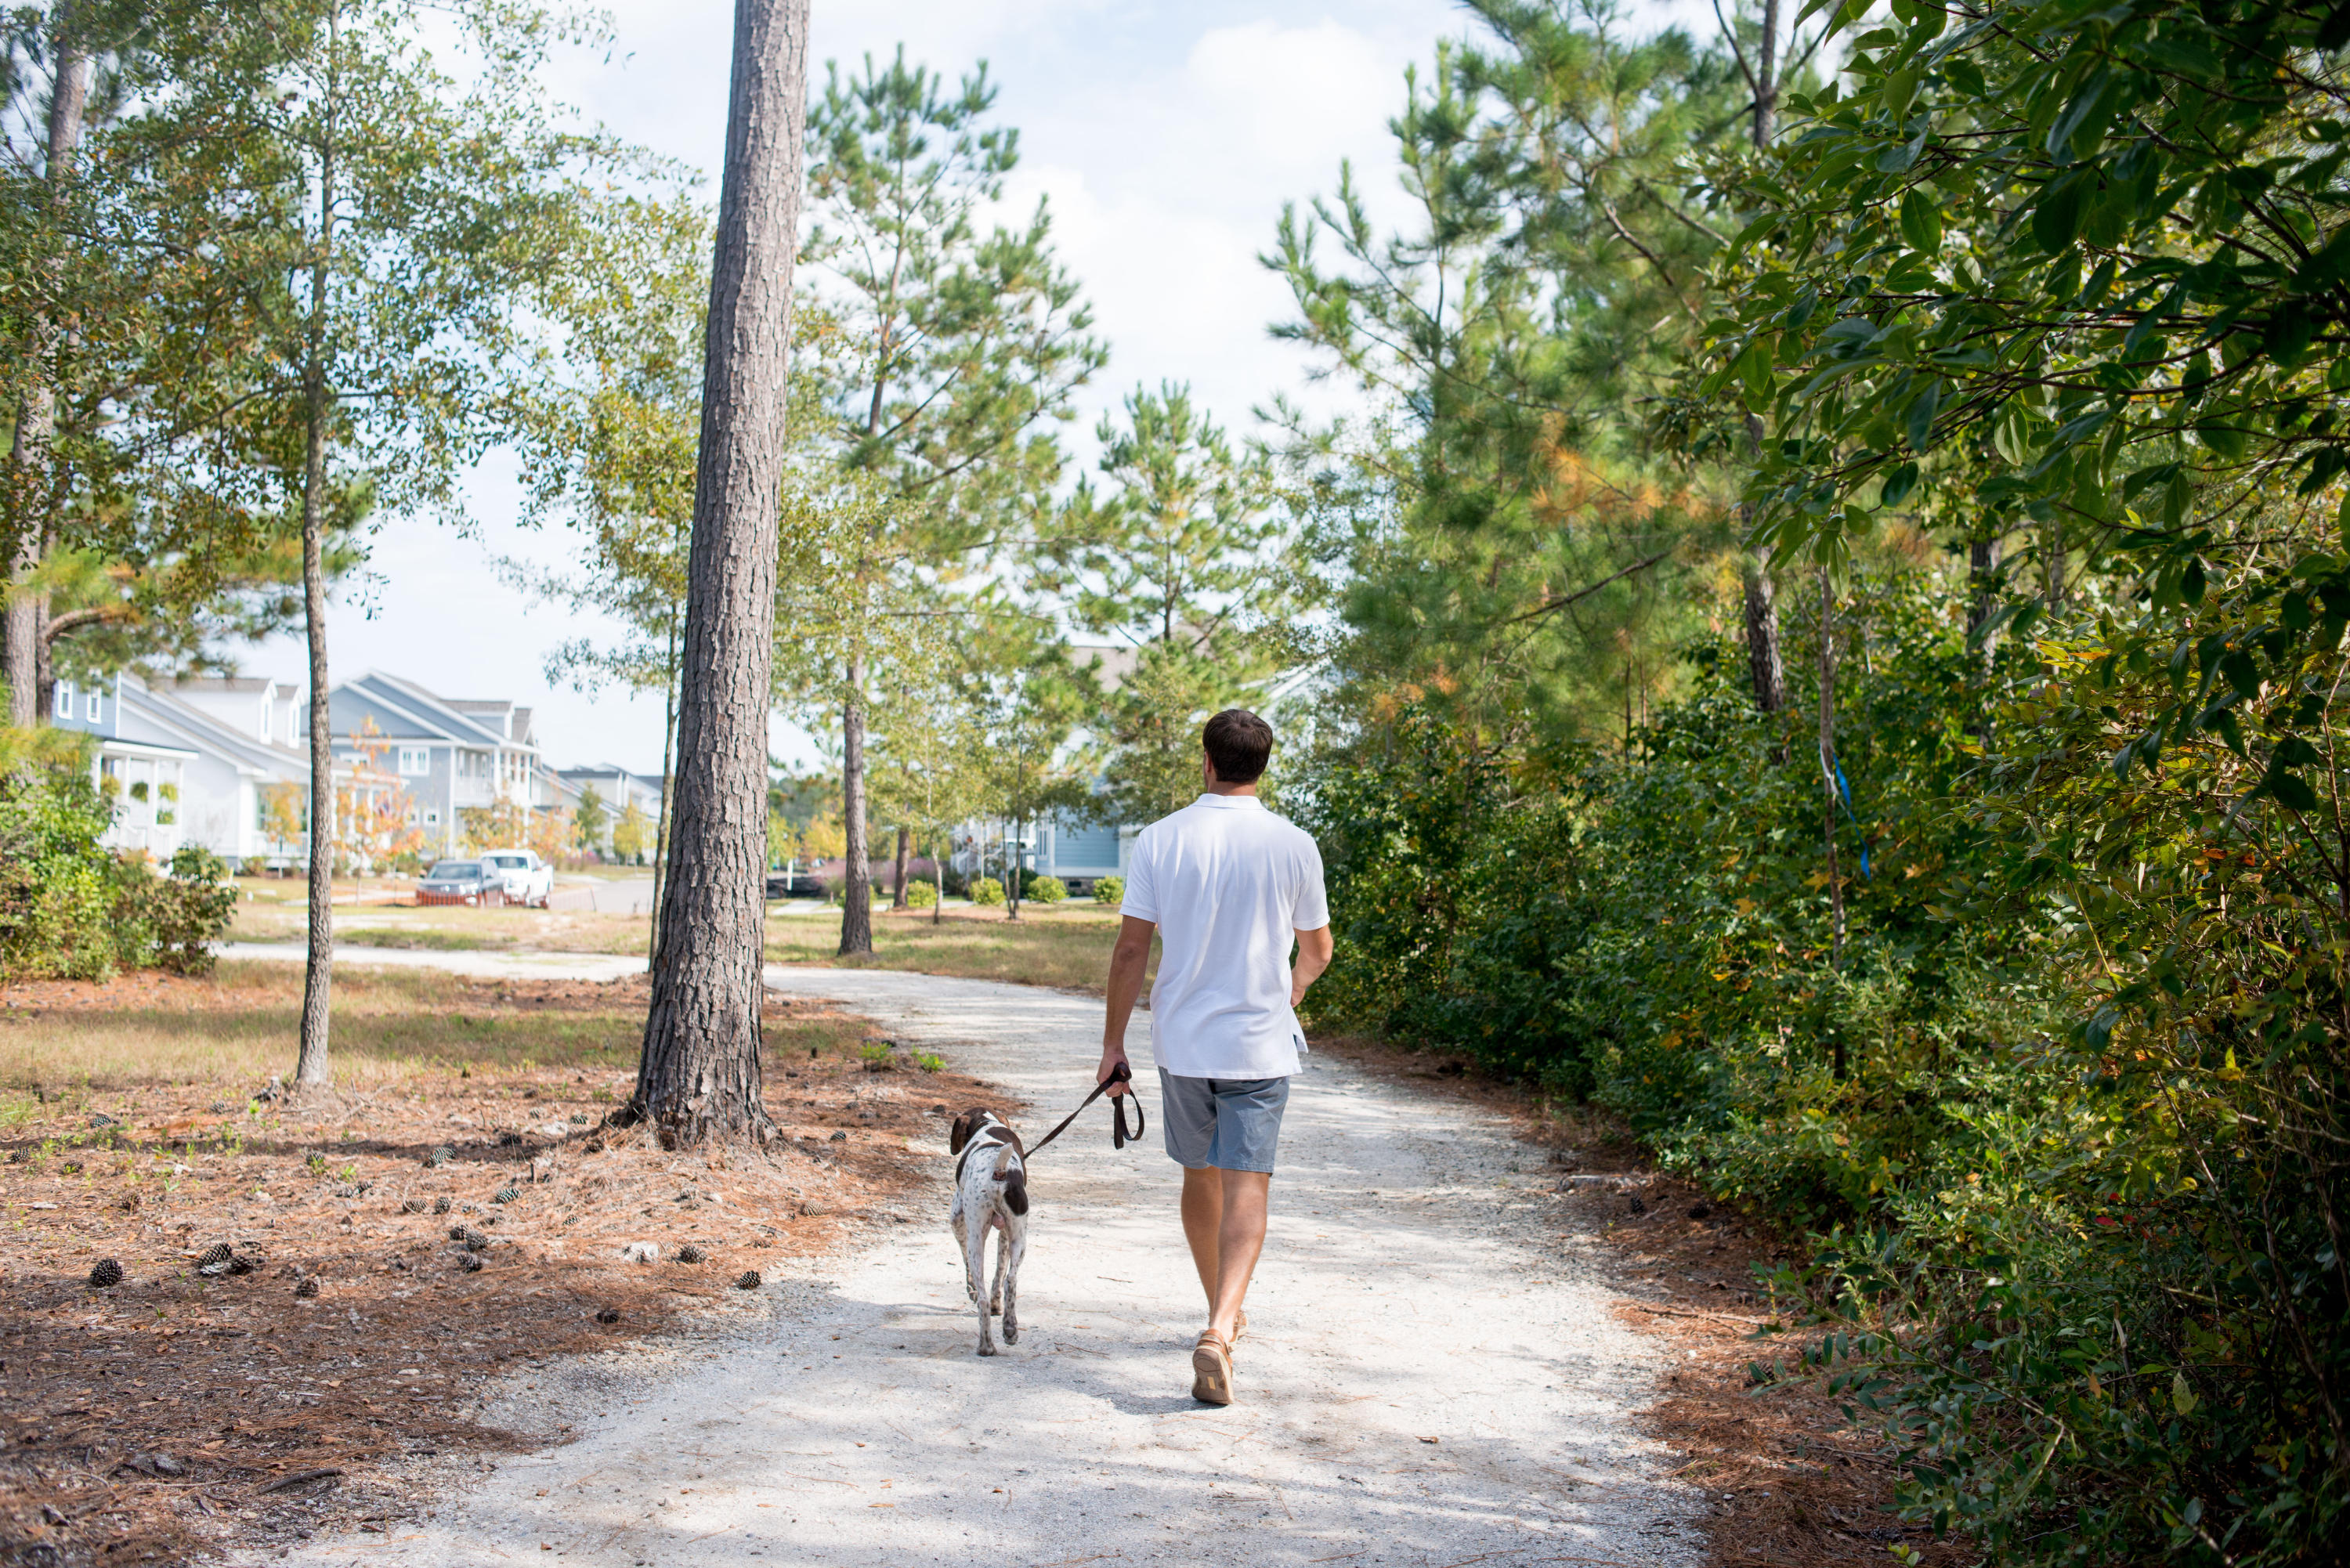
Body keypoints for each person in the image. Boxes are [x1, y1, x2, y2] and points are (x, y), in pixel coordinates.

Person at [1097, 709, 1333, 1405]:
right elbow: (1318, 949)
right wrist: (1292, 989)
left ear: (1206, 760)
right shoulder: (1294, 844)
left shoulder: (1160, 840)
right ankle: (1222, 1325)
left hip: (1184, 1044)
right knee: (1249, 1182)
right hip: (1259, 1044)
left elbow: (1133, 949)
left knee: (1200, 1175)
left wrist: (1113, 1046)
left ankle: (1218, 1318)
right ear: (1264, 766)